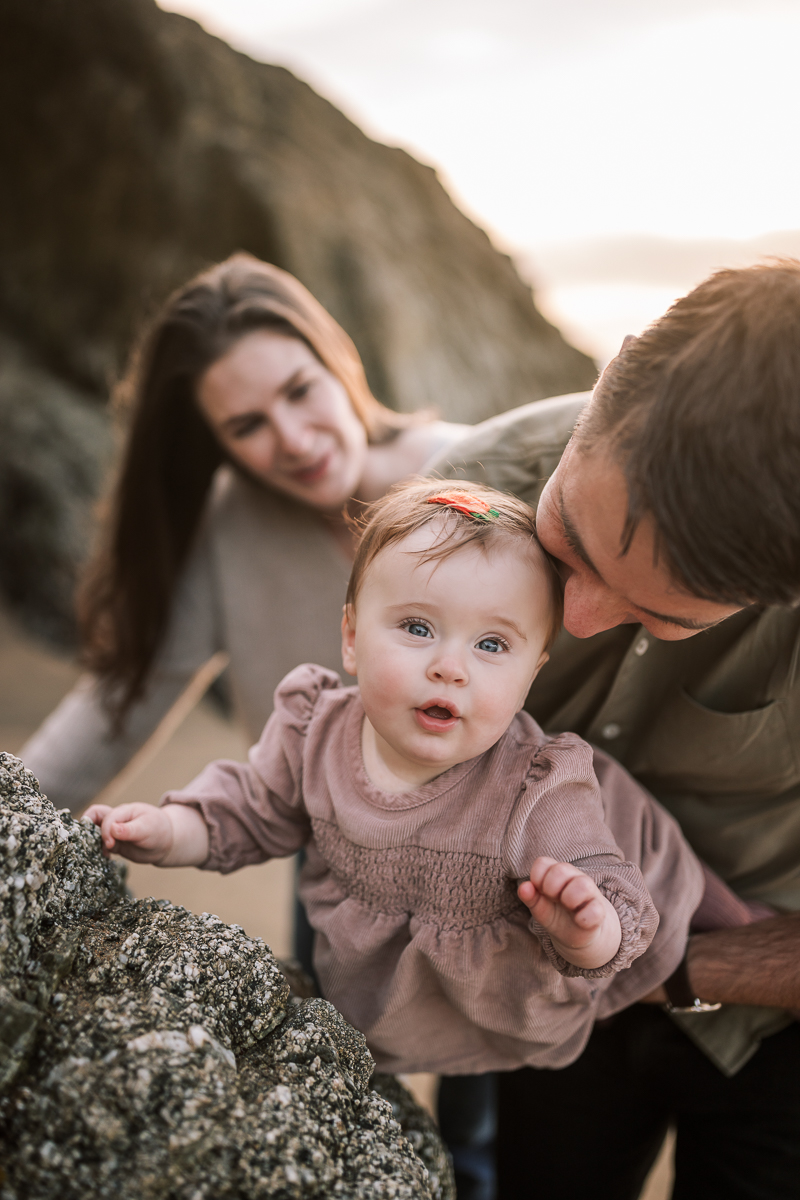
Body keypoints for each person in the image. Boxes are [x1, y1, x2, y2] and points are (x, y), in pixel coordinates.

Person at [85, 479, 738, 1079]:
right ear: (350, 637)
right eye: (418, 628)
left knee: (716, 909)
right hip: (425, 991)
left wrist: (590, 931)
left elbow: (607, 881)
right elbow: (250, 809)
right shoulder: (315, 731)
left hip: (634, 854)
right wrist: (170, 829)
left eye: (491, 645)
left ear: (530, 675)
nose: (450, 667)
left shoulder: (536, 787)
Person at [424, 262, 800, 1199]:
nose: (578, 620)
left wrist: (671, 962)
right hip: (558, 1018)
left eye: (666, 619)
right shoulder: (448, 512)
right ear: (615, 370)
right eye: (565, 541)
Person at [20, 254, 471, 813]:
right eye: (247, 426)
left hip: (524, 863)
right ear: (218, 443)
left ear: (338, 362)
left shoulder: (481, 475)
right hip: (331, 874)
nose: (295, 441)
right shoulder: (229, 525)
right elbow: (113, 713)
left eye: (300, 390)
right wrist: (10, 822)